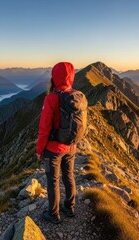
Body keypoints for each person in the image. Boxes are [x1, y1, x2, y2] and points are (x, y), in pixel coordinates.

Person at [36, 62, 78, 224]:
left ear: (54, 77)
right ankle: (70, 207)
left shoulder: (51, 98)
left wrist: (40, 150)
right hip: (71, 146)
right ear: (71, 77)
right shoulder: (77, 96)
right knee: (69, 176)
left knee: (53, 181)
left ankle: (54, 214)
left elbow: (44, 128)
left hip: (53, 149)